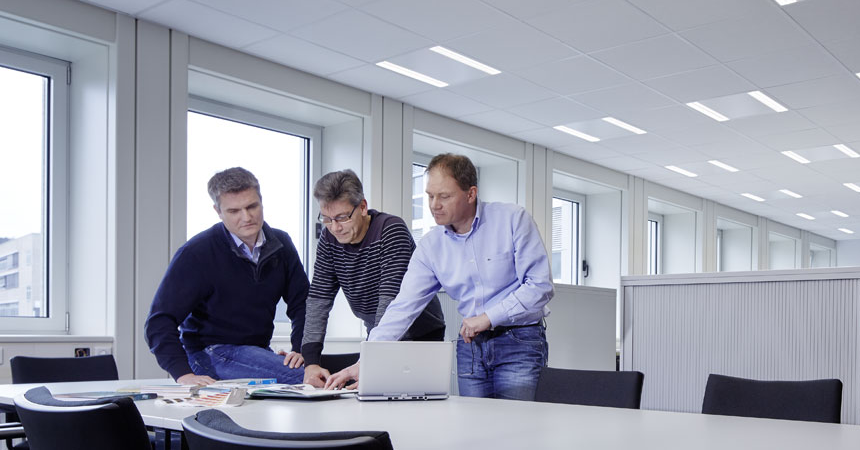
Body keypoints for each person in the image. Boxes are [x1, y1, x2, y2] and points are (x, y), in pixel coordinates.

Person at [324, 153, 554, 399]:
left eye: (444, 196)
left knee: (517, 420)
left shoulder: (512, 219)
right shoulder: (431, 246)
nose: (434, 205)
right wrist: (367, 361)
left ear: (471, 194)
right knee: (476, 423)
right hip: (471, 348)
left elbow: (540, 286)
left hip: (519, 340)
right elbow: (402, 307)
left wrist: (488, 318)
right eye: (430, 196)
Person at [145, 167, 309, 385]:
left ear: (261, 201)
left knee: (314, 372)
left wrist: (300, 349)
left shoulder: (281, 244)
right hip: (210, 353)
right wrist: (183, 375)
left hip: (256, 351)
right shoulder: (196, 253)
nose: (246, 217)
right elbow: (159, 321)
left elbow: (303, 304)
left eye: (252, 206)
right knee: (308, 378)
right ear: (218, 211)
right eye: (234, 211)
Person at [301, 169, 447, 387]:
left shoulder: (390, 230)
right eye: (327, 219)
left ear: (362, 207)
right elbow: (319, 299)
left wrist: (371, 361)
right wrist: (311, 362)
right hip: (378, 334)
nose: (335, 228)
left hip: (419, 336)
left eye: (342, 217)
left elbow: (390, 301)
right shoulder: (329, 238)